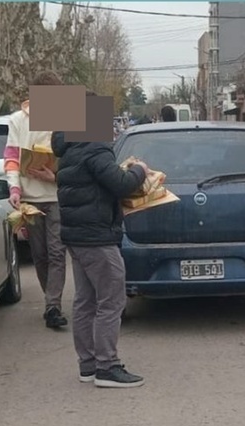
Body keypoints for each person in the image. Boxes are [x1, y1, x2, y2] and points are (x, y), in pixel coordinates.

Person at [52, 95, 149, 388]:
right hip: (96, 237)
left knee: (85, 301)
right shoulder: (94, 147)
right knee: (112, 299)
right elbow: (120, 184)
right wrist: (139, 171)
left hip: (77, 235)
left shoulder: (69, 150)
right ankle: (107, 366)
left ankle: (89, 364)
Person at [3, 71, 69, 330]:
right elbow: (11, 157)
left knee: (57, 252)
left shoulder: (68, 116)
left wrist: (55, 175)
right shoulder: (17, 121)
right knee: (40, 255)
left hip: (56, 196)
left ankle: (53, 306)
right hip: (30, 199)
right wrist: (15, 189)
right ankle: (50, 298)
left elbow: (78, 156)